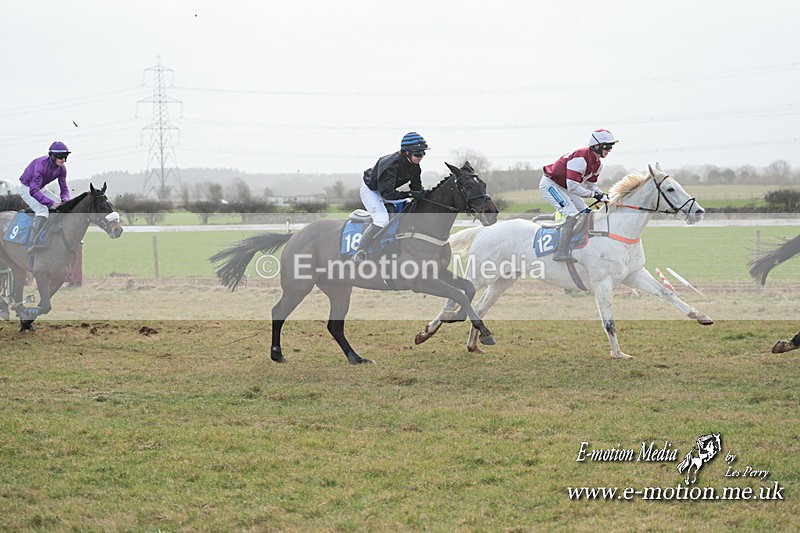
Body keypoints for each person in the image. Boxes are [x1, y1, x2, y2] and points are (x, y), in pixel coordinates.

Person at [539, 129, 618, 262]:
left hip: (565, 187)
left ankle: (579, 245)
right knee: (572, 214)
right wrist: (594, 195)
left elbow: (591, 185)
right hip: (551, 185)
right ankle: (561, 251)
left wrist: (602, 195)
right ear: (596, 145)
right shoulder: (580, 158)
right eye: (607, 146)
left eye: (611, 146)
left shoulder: (598, 164)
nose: (610, 149)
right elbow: (573, 186)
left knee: (586, 213)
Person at [354, 132, 428, 262]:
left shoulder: (415, 166)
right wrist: (410, 194)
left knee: (410, 204)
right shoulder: (391, 164)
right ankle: (361, 251)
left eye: (423, 153)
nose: (421, 157)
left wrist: (424, 194)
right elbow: (387, 194)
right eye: (418, 154)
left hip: (386, 190)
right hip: (372, 191)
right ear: (406, 153)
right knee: (382, 219)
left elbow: (417, 188)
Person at [19, 141, 71, 250]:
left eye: (65, 157)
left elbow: (64, 189)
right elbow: (33, 191)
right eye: (61, 157)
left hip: (41, 188)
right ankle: (31, 243)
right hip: (27, 188)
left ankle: (55, 237)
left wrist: (66, 200)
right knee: (42, 211)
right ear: (52, 156)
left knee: (62, 207)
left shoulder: (62, 168)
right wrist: (51, 203)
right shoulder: (41, 166)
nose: (64, 160)